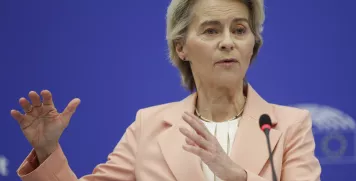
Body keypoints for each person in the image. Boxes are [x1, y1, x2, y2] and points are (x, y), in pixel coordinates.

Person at [10, 0, 322, 180]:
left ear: (252, 44)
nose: (228, 41)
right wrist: (47, 150)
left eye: (240, 30)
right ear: (181, 47)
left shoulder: (288, 126)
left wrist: (236, 176)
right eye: (211, 30)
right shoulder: (150, 126)